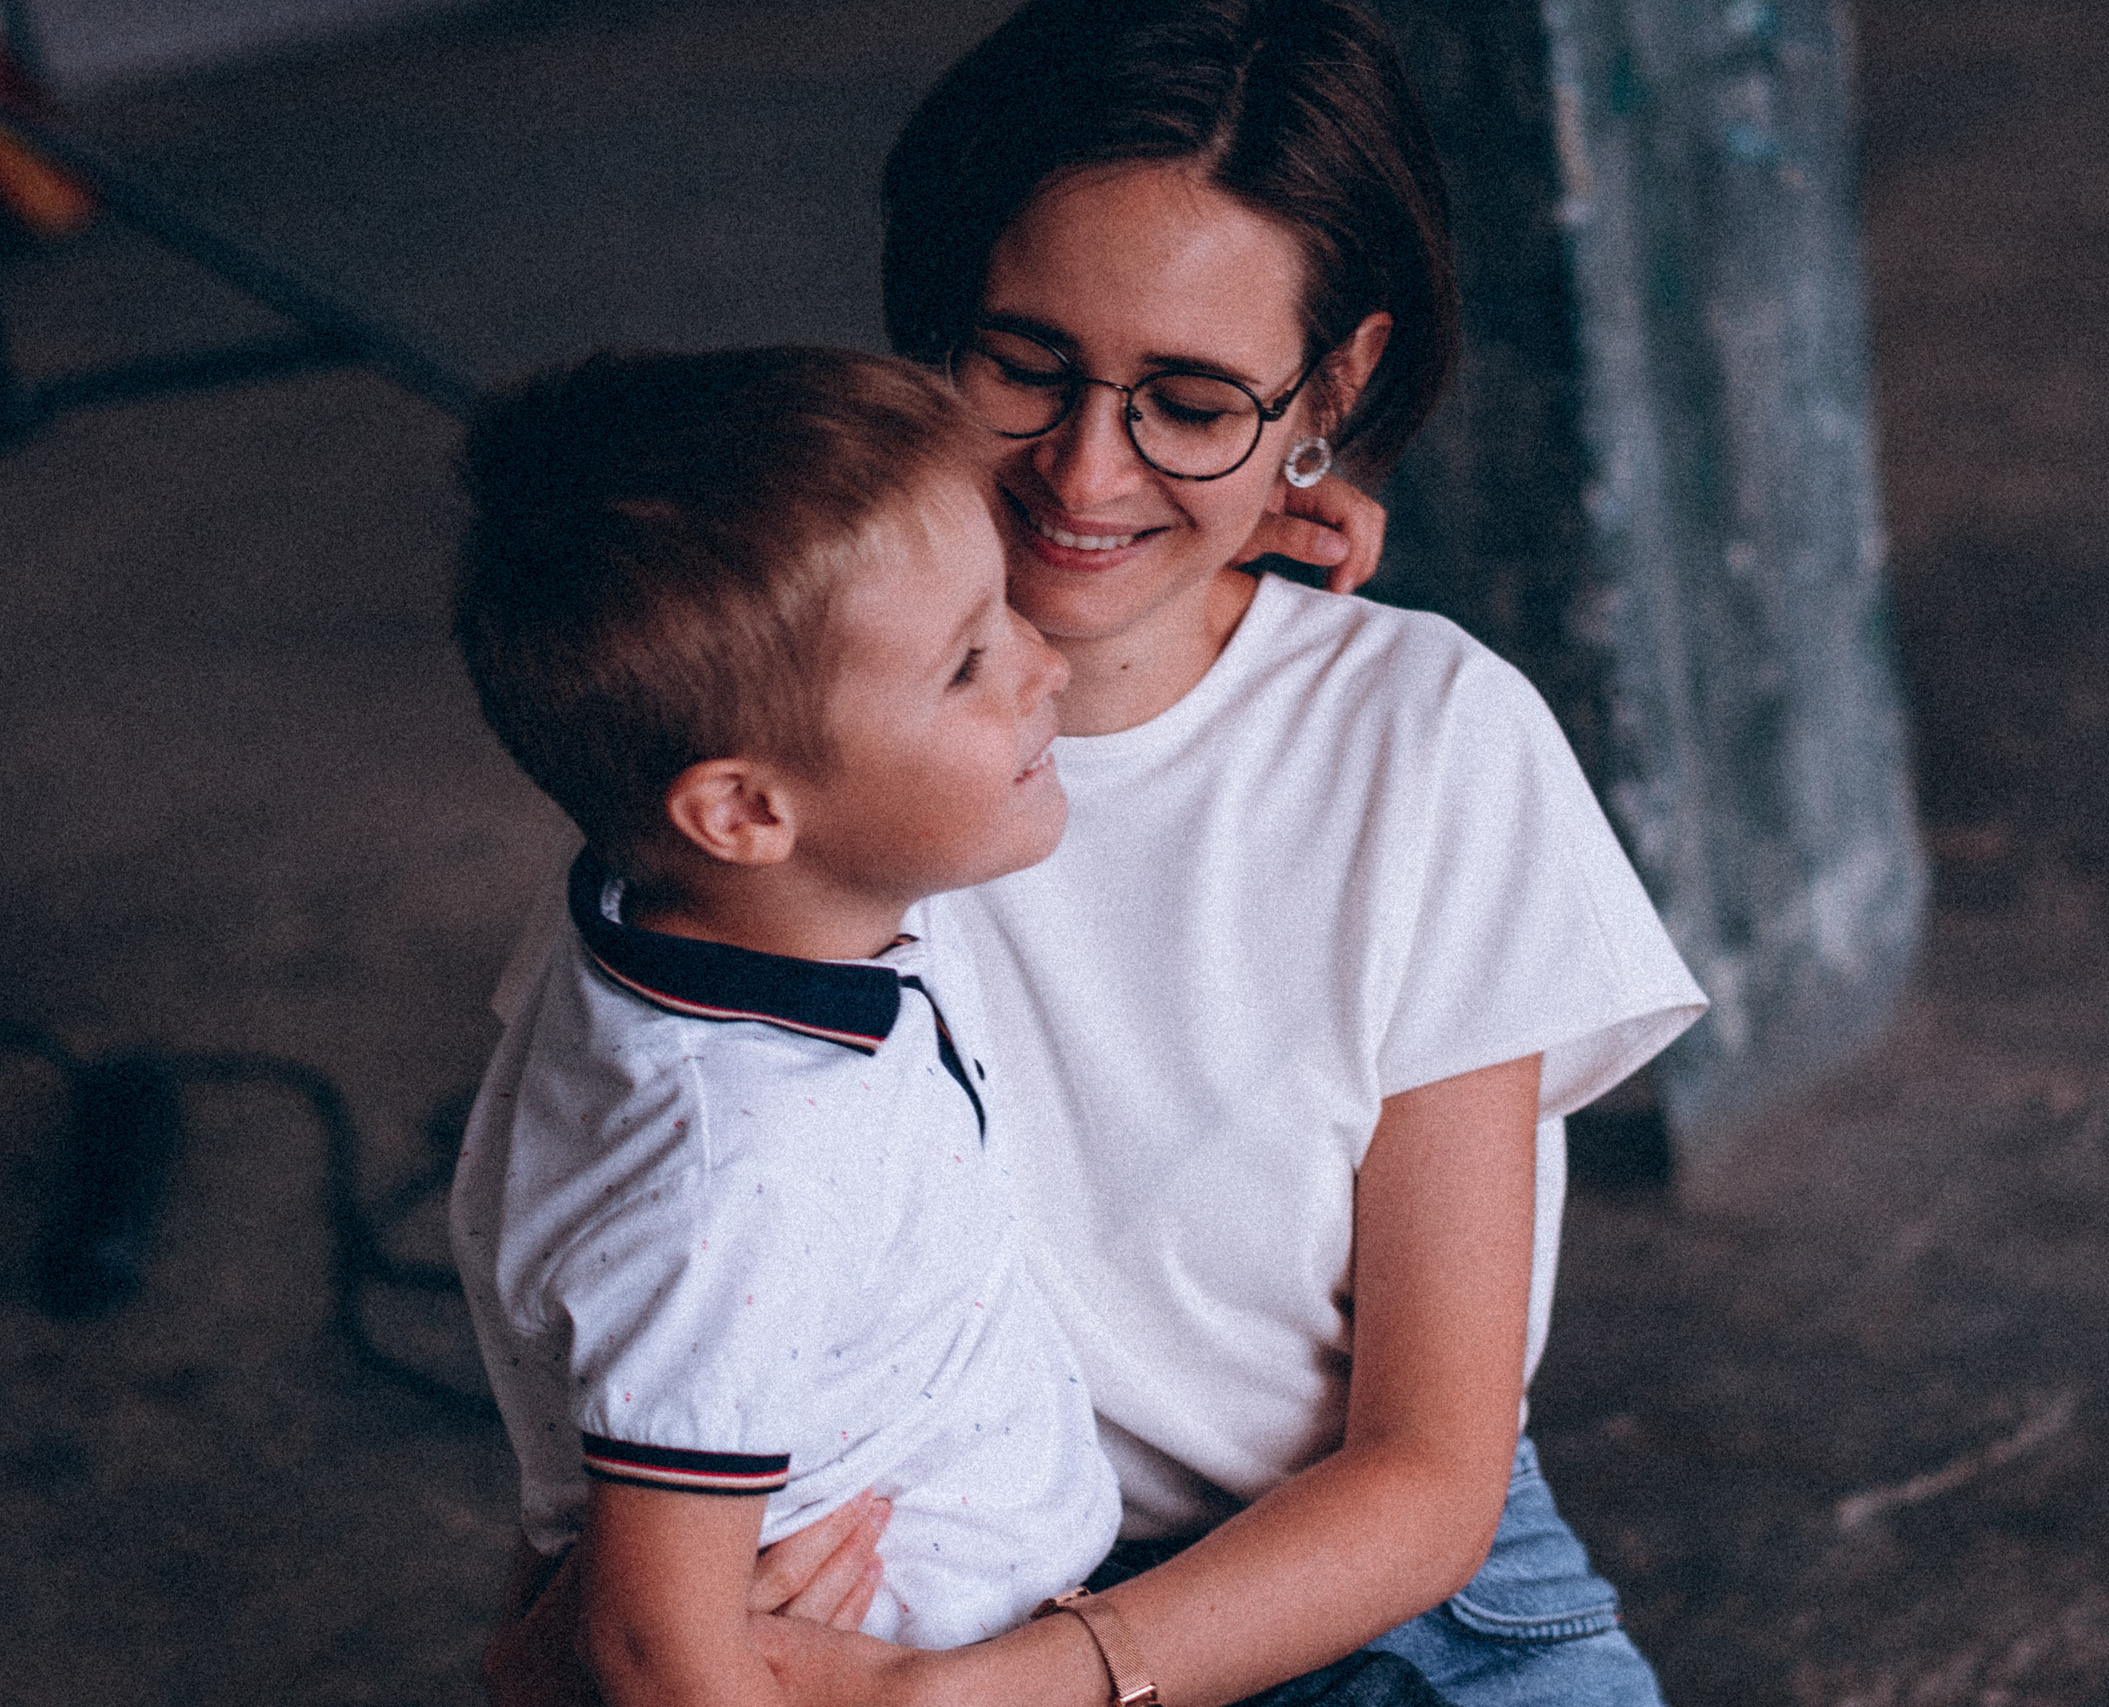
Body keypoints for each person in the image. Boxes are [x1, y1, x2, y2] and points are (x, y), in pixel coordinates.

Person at [489, 3, 1707, 1703]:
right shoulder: (785, 757)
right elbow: (647, 1321)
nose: (1082, 470)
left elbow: (1429, 1476)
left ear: (1329, 393)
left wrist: (998, 1695)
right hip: (910, 1580)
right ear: (933, 329)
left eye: (1191, 400)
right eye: (1023, 367)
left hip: (1337, 1581)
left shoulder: (1424, 740)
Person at [447, 346, 1123, 1702]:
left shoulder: (678, 899)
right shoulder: (743, 1174)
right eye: (968, 664)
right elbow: (656, 1646)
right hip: (891, 1662)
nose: (1047, 662)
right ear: (748, 813)